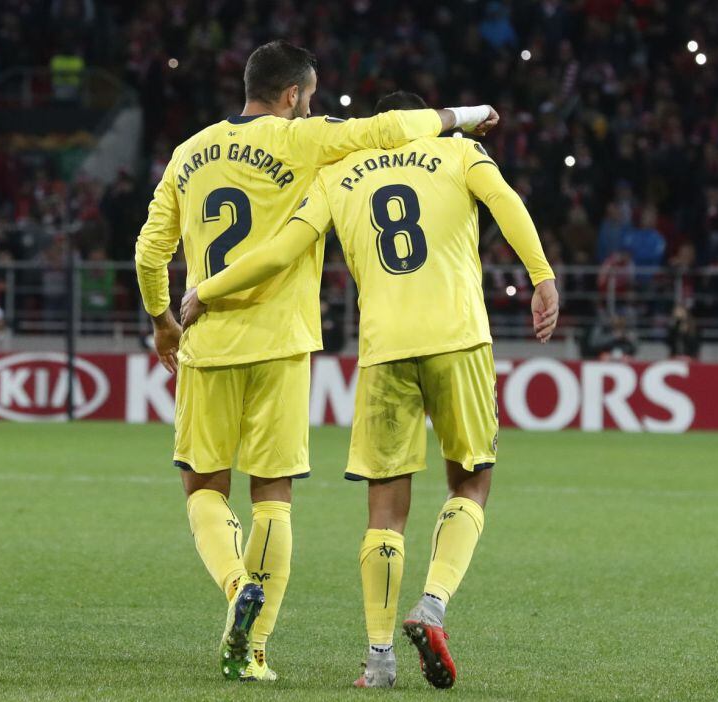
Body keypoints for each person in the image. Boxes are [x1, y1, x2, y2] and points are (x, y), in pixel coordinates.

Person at [133, 42, 498, 682]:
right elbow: (387, 130)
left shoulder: (188, 153)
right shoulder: (303, 139)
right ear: (294, 95)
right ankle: (256, 653)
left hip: (208, 342)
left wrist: (164, 321)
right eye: (311, 96)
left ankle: (236, 585)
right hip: (282, 343)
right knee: (273, 499)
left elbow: (148, 251)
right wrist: (464, 115)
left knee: (204, 488)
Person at [180, 91, 557, 689]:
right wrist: (541, 277)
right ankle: (432, 604)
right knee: (471, 481)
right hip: (459, 338)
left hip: (384, 350)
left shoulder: (337, 176)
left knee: (385, 509)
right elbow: (507, 204)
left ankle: (379, 659)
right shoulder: (460, 153)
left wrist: (206, 290)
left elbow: (279, 252)